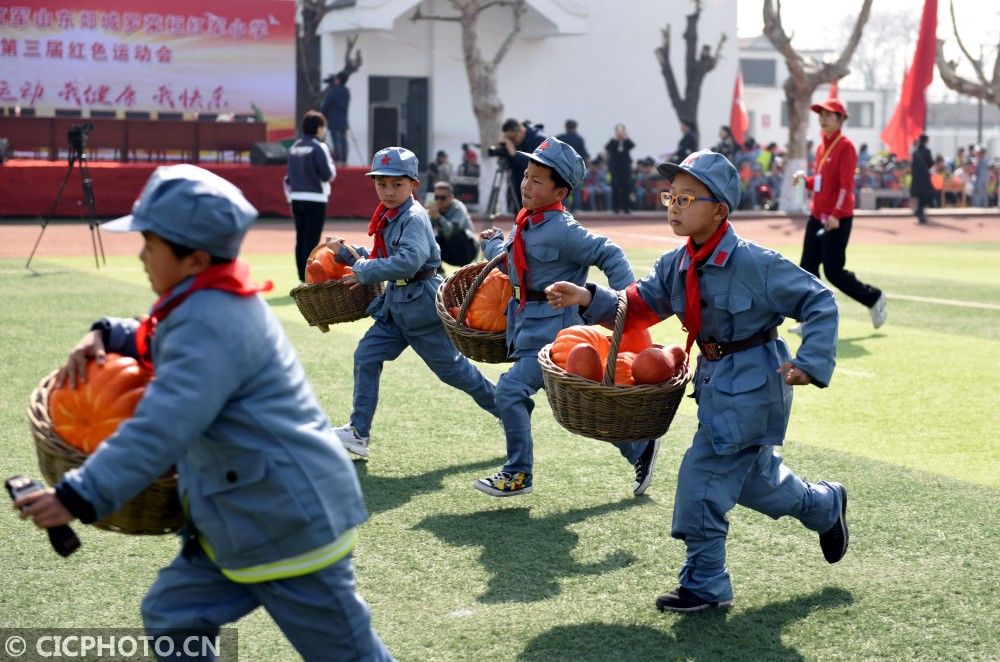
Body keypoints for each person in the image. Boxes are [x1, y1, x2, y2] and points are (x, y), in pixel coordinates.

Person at [12, 164, 392, 659]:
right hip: (239, 517)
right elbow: (157, 334)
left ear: (193, 259)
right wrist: (105, 332)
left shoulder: (211, 320)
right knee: (174, 616)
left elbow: (161, 424)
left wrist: (79, 496)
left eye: (150, 245)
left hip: (287, 521)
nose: (142, 255)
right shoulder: (207, 299)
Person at [545, 150, 848, 613]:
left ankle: (706, 584)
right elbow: (640, 304)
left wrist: (811, 361)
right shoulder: (678, 263)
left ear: (720, 211)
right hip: (715, 385)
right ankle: (824, 506)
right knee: (754, 482)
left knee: (701, 479)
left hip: (753, 385)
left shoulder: (755, 263)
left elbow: (819, 300)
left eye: (687, 198)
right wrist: (588, 295)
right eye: (671, 196)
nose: (673, 205)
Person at [473, 136, 658, 498]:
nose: (525, 184)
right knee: (581, 407)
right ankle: (639, 445)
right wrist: (494, 245)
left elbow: (610, 252)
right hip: (528, 325)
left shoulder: (561, 228)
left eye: (537, 180)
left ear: (560, 190)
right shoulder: (529, 220)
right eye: (526, 175)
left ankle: (518, 474)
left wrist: (628, 304)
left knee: (511, 390)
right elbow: (516, 264)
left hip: (555, 331)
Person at [328, 147, 499, 459]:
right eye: (382, 184)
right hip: (396, 306)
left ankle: (506, 407)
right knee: (366, 355)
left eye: (397, 184)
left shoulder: (414, 217)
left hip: (421, 307)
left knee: (453, 371)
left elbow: (408, 262)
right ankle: (358, 432)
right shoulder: (390, 216)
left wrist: (365, 270)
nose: (389, 191)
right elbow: (383, 257)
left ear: (412, 185)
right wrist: (345, 253)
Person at [791, 98, 886, 333]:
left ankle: (873, 298)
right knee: (807, 269)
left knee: (833, 271)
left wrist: (835, 214)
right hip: (817, 215)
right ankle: (810, 321)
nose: (823, 119)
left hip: (837, 218)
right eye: (820, 115)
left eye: (829, 115)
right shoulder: (822, 147)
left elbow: (846, 186)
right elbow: (822, 183)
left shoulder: (846, 147)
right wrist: (806, 180)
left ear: (841, 119)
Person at [285, 110, 336, 282]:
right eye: (323, 126)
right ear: (318, 128)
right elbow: (327, 175)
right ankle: (309, 278)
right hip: (315, 199)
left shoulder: (294, 148)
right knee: (312, 241)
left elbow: (289, 178)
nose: (324, 130)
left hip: (297, 198)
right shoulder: (319, 147)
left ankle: (302, 278)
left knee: (300, 239)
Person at [496, 118, 548, 209]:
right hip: (520, 189)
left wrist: (513, 152)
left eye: (512, 138)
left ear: (521, 130)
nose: (511, 141)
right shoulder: (518, 142)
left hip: (536, 192)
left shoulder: (538, 139)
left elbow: (533, 167)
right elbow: (511, 165)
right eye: (508, 138)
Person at [428, 181, 478, 267]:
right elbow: (426, 229)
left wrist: (438, 217)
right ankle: (437, 270)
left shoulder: (458, 208)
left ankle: (465, 271)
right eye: (436, 197)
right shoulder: (435, 209)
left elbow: (451, 232)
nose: (439, 200)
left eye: (443, 198)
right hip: (449, 251)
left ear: (451, 197)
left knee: (457, 236)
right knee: (430, 240)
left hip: (468, 250)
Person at [557, 119, 591, 212]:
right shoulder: (579, 139)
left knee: (564, 188)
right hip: (576, 168)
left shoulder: (560, 138)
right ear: (575, 127)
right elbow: (583, 155)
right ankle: (576, 208)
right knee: (576, 189)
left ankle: (564, 208)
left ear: (566, 127)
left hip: (563, 167)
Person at [320, 73, 350, 165]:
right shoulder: (346, 91)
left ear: (339, 80)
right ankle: (344, 159)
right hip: (343, 120)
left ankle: (338, 160)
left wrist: (321, 114)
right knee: (343, 141)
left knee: (336, 141)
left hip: (334, 120)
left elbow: (326, 104)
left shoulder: (334, 91)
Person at [606, 124, 636, 213]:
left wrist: (626, 138)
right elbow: (607, 147)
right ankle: (615, 208)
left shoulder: (626, 142)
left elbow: (632, 145)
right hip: (615, 168)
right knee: (615, 187)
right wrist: (614, 139)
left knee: (626, 187)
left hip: (625, 168)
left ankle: (626, 208)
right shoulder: (613, 141)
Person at [910, 134, 934, 224]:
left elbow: (912, 166)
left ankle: (919, 212)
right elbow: (930, 163)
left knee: (921, 196)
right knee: (930, 194)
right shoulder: (927, 151)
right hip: (924, 178)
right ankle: (919, 211)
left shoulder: (915, 152)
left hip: (916, 178)